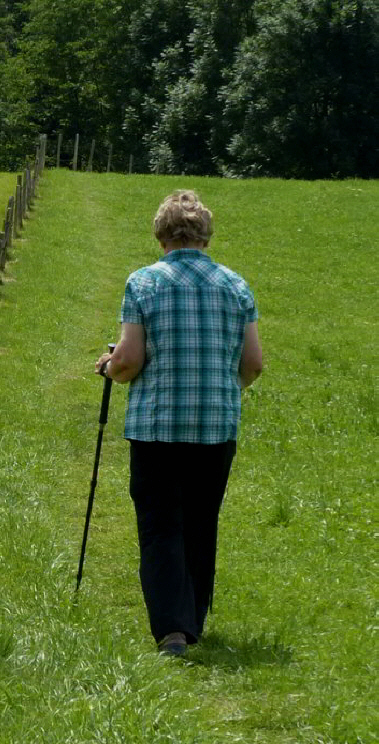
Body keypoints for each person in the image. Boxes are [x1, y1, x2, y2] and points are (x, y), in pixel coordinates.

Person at [95, 189, 262, 657]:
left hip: (157, 427)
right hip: (216, 426)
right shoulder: (235, 285)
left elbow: (128, 360)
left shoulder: (144, 283)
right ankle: (194, 621)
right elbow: (253, 364)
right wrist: (222, 390)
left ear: (161, 234)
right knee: (200, 521)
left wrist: (109, 366)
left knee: (161, 524)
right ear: (204, 234)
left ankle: (172, 628)